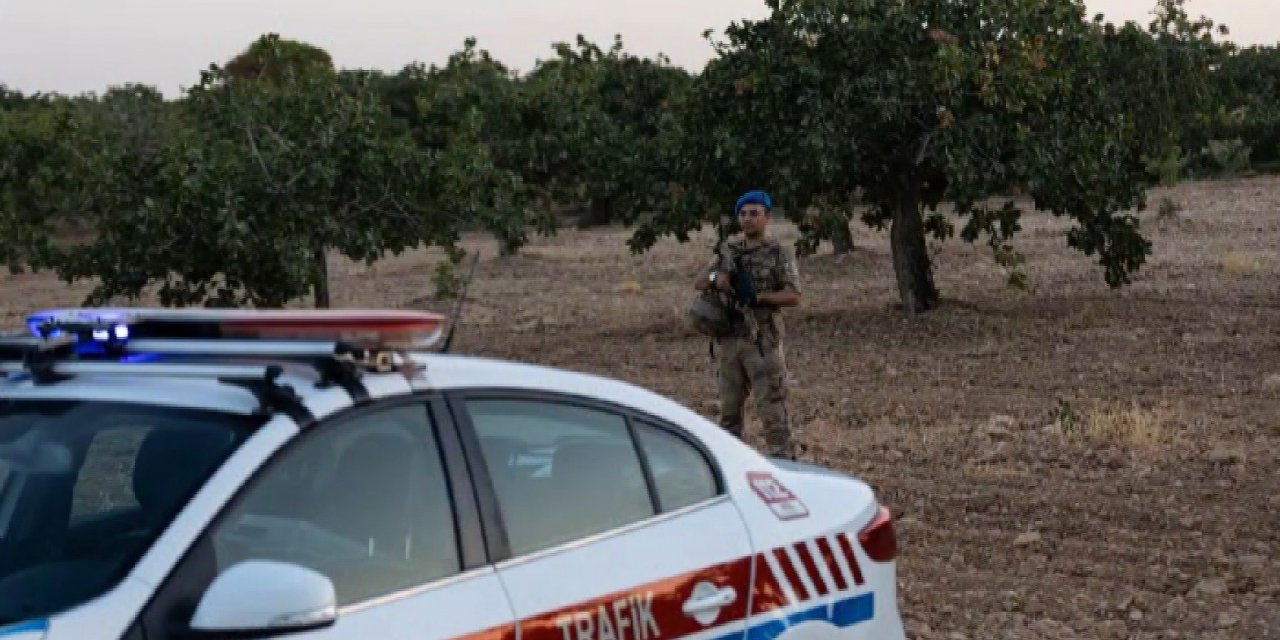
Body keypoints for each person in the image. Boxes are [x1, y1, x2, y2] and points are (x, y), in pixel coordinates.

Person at [694, 190, 802, 459]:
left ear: (767, 218)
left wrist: (758, 297)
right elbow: (699, 281)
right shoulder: (729, 250)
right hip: (729, 341)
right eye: (743, 214)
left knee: (772, 411)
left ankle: (783, 465)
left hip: (761, 341)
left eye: (754, 214)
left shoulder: (778, 252)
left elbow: (793, 295)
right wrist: (715, 277)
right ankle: (730, 466)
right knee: (729, 413)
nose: (748, 219)